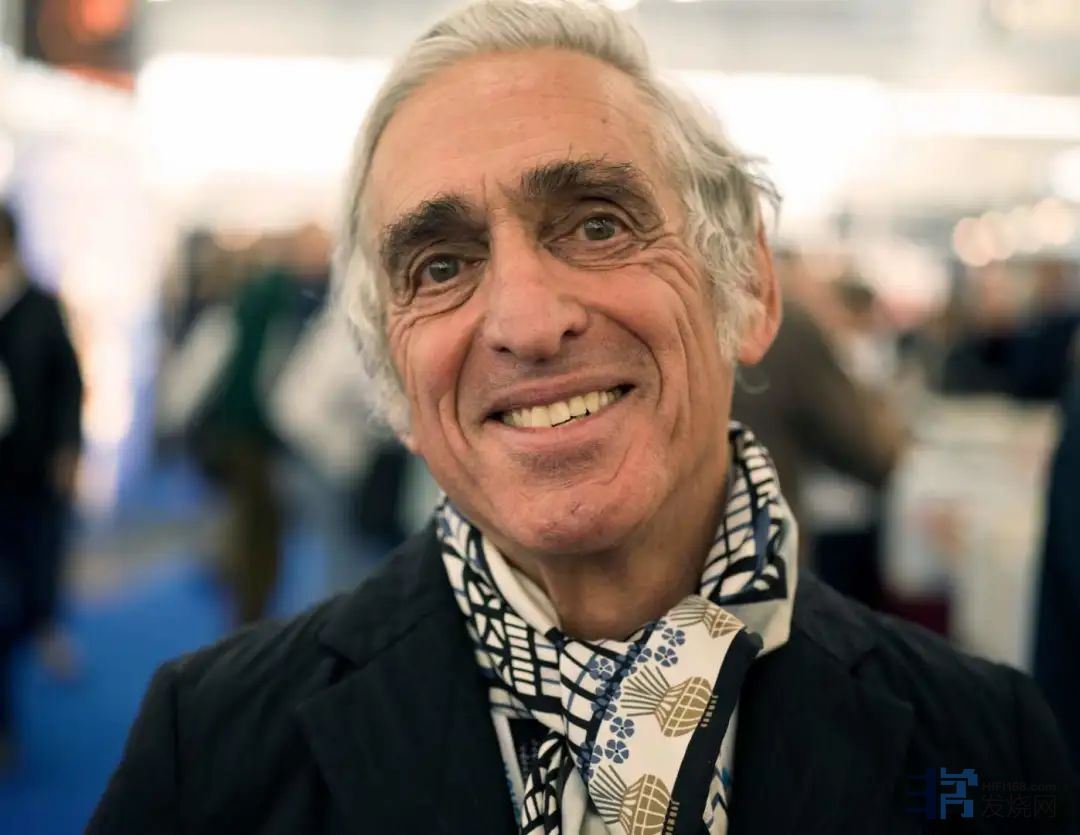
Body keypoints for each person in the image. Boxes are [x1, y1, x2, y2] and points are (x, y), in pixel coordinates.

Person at [89, 2, 1077, 832]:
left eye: (598, 224)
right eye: (442, 265)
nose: (526, 323)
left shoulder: (986, 748)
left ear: (749, 287)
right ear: (394, 380)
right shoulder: (210, 754)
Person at [0, 203, 83, 770]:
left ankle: (41, 623)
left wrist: (67, 449)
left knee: (33, 584)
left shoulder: (41, 306)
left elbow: (68, 383)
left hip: (30, 474)